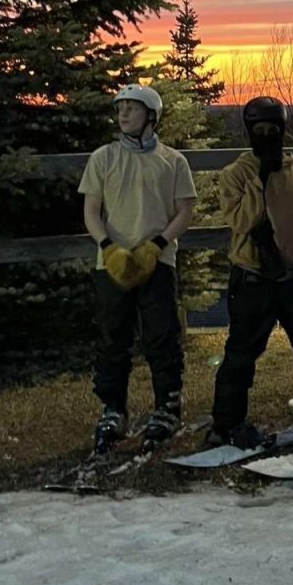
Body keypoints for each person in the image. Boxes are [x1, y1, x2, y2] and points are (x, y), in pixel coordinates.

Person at [209, 97, 293, 460]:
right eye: (259, 131)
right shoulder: (235, 175)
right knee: (241, 351)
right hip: (254, 277)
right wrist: (260, 177)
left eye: (273, 130)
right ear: (249, 132)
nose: (267, 137)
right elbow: (242, 221)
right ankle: (227, 422)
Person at [79, 84, 196, 454]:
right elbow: (91, 210)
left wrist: (157, 244)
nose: (124, 114)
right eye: (121, 108)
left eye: (132, 108)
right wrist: (108, 246)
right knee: (113, 337)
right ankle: (113, 410)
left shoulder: (173, 161)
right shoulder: (103, 158)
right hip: (112, 263)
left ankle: (167, 407)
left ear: (151, 115)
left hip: (157, 262)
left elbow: (184, 211)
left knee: (162, 336)